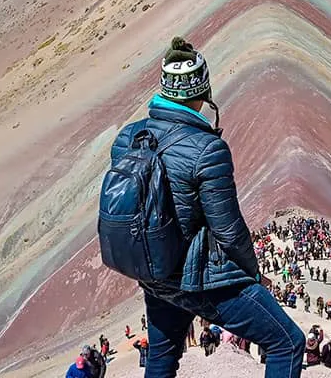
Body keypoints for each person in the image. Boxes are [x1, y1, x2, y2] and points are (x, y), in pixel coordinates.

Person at [110, 38, 304, 378]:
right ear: (204, 90)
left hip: (152, 272)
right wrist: (253, 275)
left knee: (161, 358)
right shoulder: (208, 149)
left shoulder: (128, 137)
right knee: (287, 342)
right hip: (196, 280)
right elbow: (228, 230)